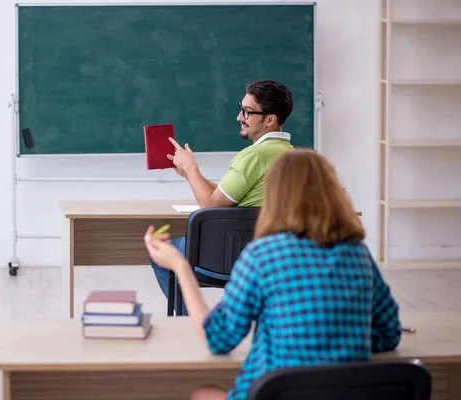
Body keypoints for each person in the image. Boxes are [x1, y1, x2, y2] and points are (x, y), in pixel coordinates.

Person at [143, 149, 401, 400]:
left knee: (202, 394)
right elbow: (390, 334)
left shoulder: (263, 255)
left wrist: (180, 266)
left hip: (275, 391)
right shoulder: (358, 254)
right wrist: (337, 341)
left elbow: (218, 339)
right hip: (347, 392)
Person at [152, 80, 295, 314]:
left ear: (270, 119)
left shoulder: (253, 156)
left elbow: (210, 205)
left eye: (248, 112)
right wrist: (190, 174)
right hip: (267, 255)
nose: (240, 117)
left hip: (230, 254)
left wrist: (192, 167)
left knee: (159, 249)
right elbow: (226, 196)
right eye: (242, 109)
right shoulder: (289, 154)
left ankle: (191, 319)